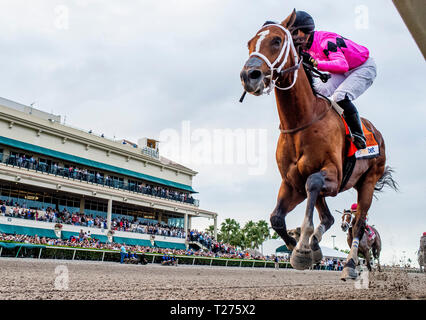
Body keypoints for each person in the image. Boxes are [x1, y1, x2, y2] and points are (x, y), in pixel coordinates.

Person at [292, 10, 377, 150]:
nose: (293, 37)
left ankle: (358, 134)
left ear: (304, 31)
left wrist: (316, 63)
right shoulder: (304, 48)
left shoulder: (326, 42)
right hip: (342, 70)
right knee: (318, 92)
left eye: (294, 33)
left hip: (362, 67)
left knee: (340, 96)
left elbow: (342, 65)